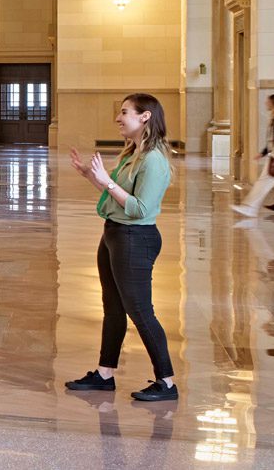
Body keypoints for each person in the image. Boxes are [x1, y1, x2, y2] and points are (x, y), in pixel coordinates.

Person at [65, 92, 178, 403]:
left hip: (135, 238)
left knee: (140, 310)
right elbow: (116, 195)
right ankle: (104, 374)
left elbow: (140, 208)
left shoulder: (154, 159)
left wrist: (107, 181)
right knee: (113, 308)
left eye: (125, 112)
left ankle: (166, 381)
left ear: (145, 117)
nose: (118, 117)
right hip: (114, 234)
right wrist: (92, 176)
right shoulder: (133, 154)